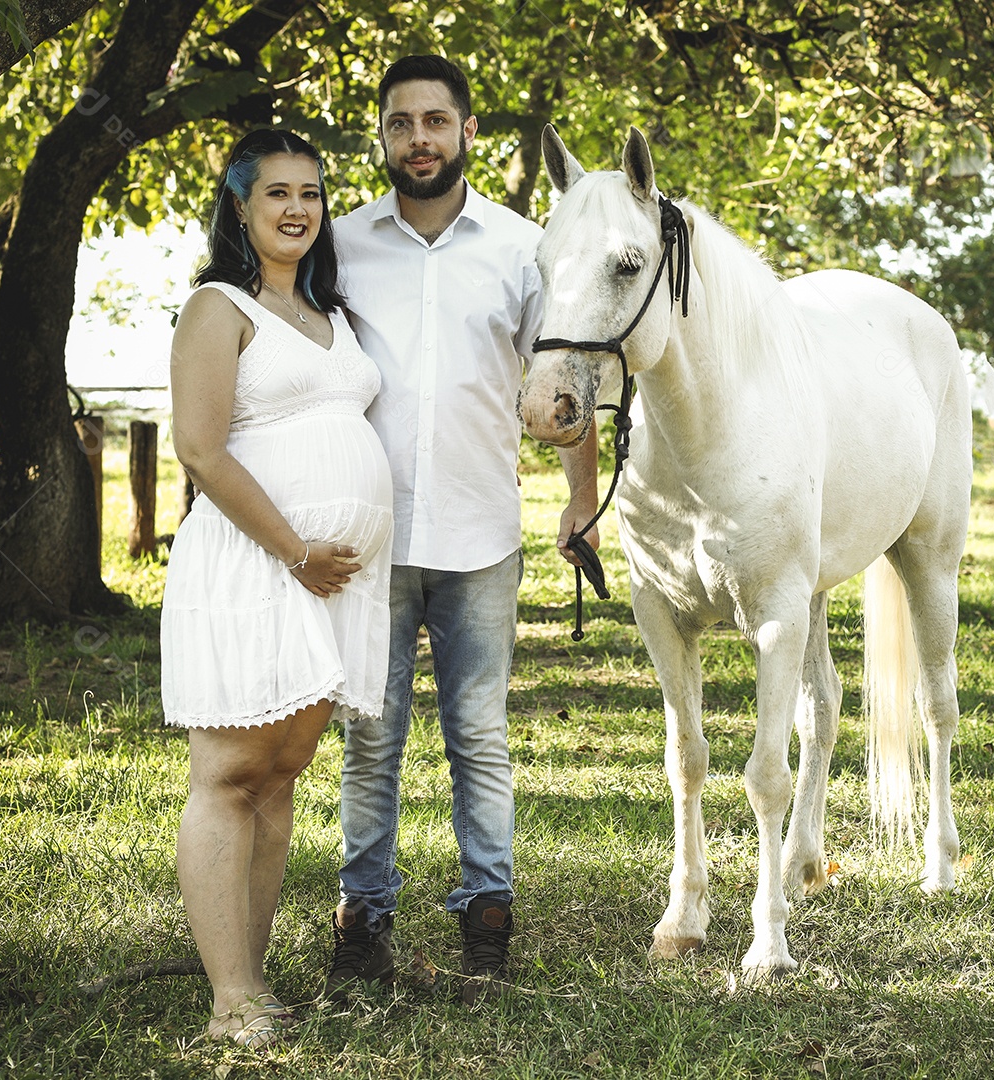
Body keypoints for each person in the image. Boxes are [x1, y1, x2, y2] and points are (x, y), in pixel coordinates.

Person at [324, 54, 599, 1006]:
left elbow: (562, 391)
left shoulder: (525, 248)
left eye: (435, 121)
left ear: (467, 130)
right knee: (371, 737)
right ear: (384, 136)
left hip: (483, 532)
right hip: (368, 539)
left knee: (479, 734)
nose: (419, 140)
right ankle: (364, 918)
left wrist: (580, 498)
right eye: (401, 124)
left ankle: (489, 914)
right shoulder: (343, 243)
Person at [161, 128, 393, 1046]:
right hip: (256, 566)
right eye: (276, 194)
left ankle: (248, 978)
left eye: (311, 192)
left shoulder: (331, 314)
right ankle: (229, 1001)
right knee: (228, 774)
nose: (296, 208)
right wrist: (296, 549)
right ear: (241, 207)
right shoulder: (218, 307)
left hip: (332, 582)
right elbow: (201, 449)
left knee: (281, 775)